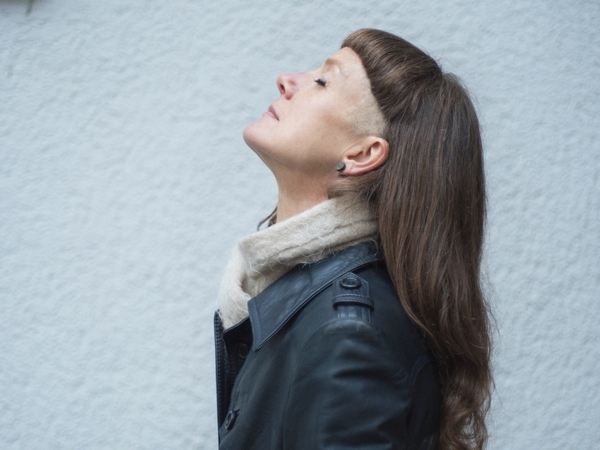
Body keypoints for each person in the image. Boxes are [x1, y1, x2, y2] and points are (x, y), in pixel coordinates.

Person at [215, 28, 492, 450]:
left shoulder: (346, 334)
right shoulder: (309, 302)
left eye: (322, 81)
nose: (286, 80)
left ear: (362, 154)